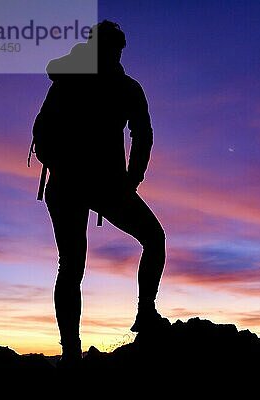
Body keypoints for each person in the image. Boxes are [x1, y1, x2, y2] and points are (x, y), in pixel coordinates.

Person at [31, 20, 166, 367]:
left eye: (115, 49)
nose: (113, 54)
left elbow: (143, 135)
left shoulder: (92, 83)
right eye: (109, 48)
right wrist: (127, 181)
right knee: (76, 264)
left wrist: (130, 181)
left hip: (89, 186)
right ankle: (74, 349)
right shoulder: (101, 84)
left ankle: (135, 319)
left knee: (78, 264)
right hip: (81, 185)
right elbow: (42, 130)